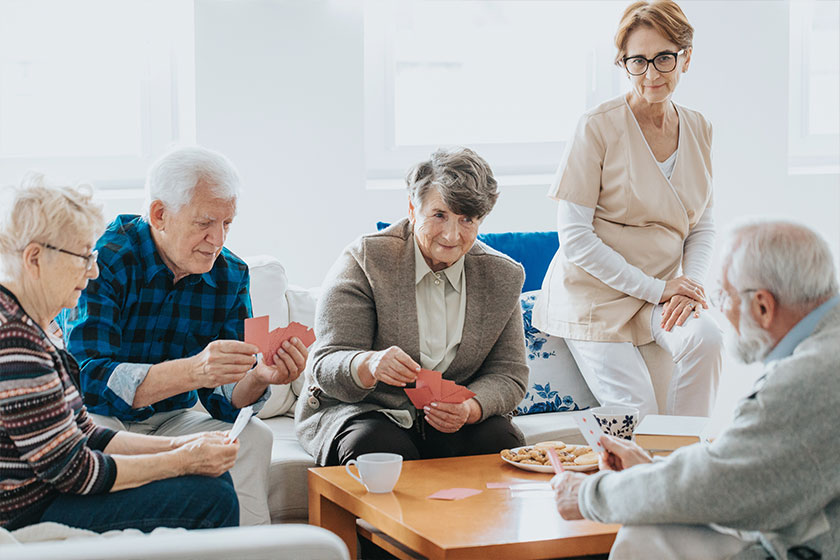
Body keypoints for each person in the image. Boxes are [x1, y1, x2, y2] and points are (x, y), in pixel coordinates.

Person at [552, 220, 840, 560]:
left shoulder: (807, 379)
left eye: (722, 296)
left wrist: (588, 495)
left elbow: (721, 484)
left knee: (648, 535)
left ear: (763, 306)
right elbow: (735, 467)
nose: (718, 309)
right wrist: (650, 469)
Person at [60, 146, 309, 526]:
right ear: (160, 214)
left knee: (254, 437)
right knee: (98, 445)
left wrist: (259, 377)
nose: (217, 239)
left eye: (227, 223)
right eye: (204, 223)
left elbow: (224, 401)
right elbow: (89, 378)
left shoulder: (230, 274)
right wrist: (194, 371)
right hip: (100, 415)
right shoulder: (104, 259)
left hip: (171, 417)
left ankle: (249, 551)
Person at [0, 175, 239, 532]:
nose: (93, 270)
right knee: (212, 498)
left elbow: (88, 435)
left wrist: (185, 445)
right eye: (82, 257)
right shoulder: (15, 344)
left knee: (217, 481)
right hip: (28, 510)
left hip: (50, 491)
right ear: (34, 258)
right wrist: (181, 461)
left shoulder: (26, 326)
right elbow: (76, 472)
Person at [533, 0, 723, 418]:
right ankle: (650, 479)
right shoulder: (596, 126)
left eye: (663, 58)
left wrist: (688, 286)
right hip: (594, 295)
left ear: (685, 58)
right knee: (635, 411)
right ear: (623, 62)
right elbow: (576, 239)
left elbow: (702, 227)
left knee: (707, 340)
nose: (651, 74)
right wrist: (660, 289)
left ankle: (688, 469)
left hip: (658, 293)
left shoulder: (699, 128)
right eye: (637, 60)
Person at [295, 147, 528, 466]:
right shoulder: (365, 261)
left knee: (501, 441)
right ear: (412, 208)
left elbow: (509, 374)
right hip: (367, 411)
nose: (452, 234)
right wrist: (368, 364)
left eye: (467, 219)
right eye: (440, 215)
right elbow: (325, 363)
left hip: (451, 419)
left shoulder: (501, 275)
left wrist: (469, 409)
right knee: (379, 447)